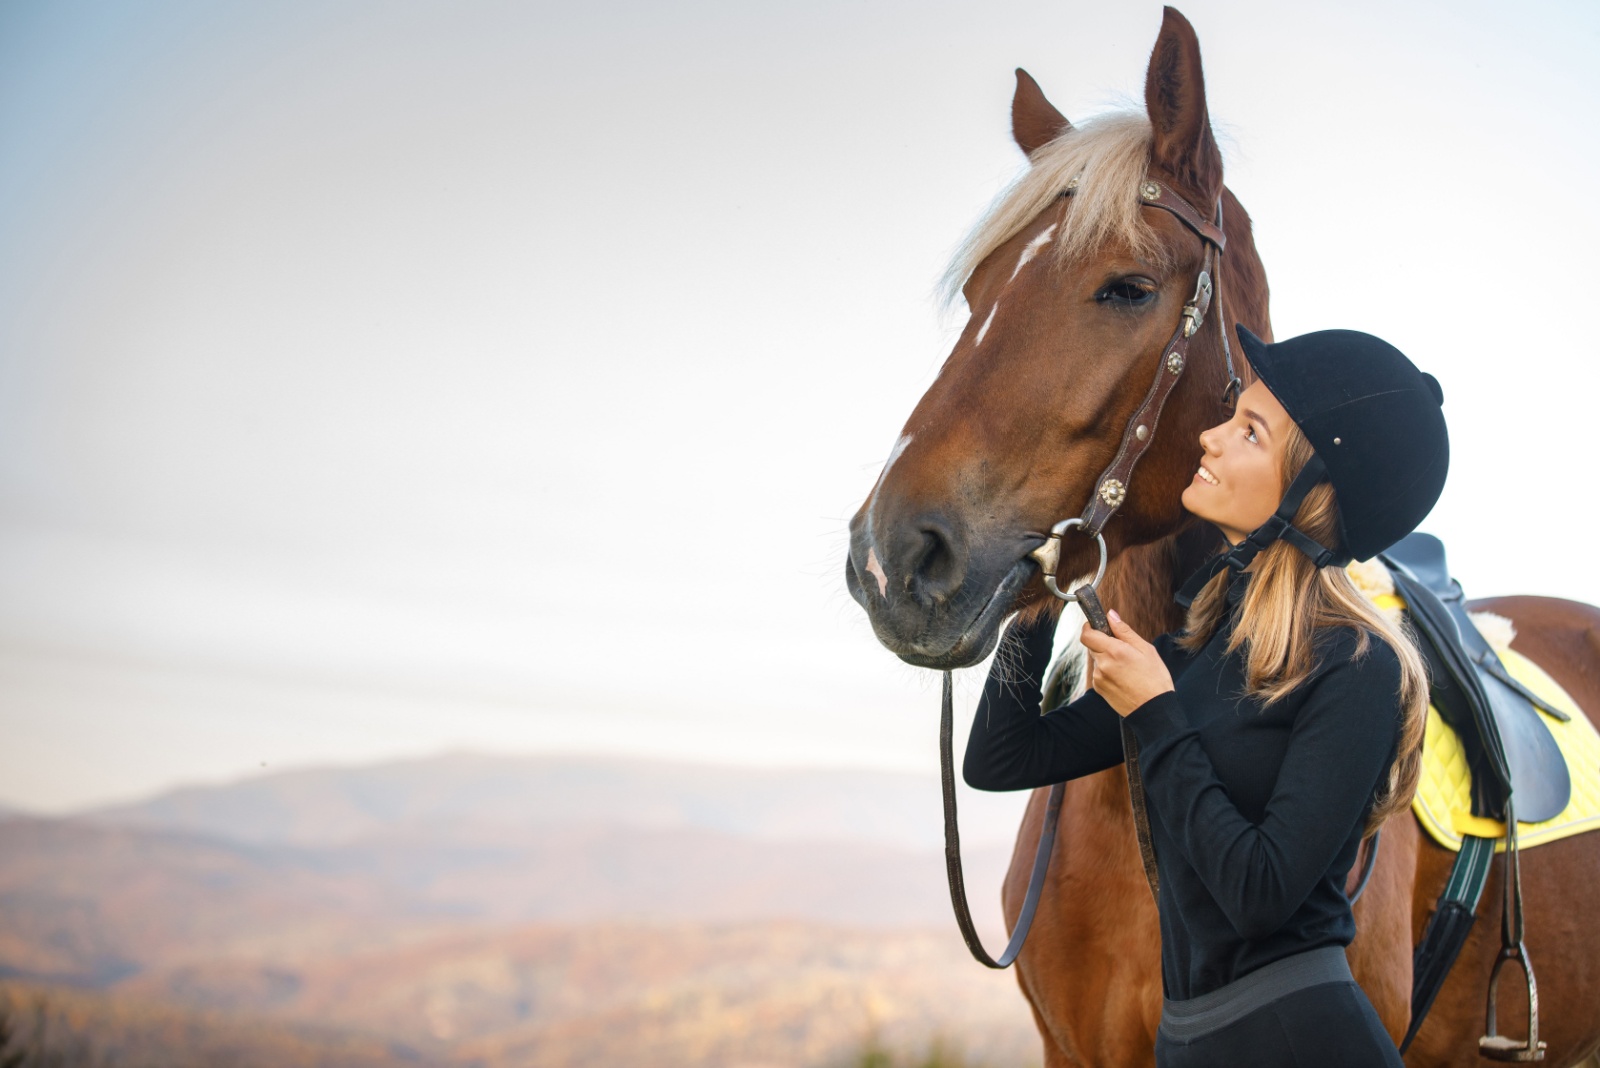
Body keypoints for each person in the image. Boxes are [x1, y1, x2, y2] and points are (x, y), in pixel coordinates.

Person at [964, 325, 1448, 1068]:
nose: (1212, 438)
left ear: (1311, 493)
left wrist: (1156, 713)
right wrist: (1044, 587)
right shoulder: (1194, 654)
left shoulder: (1357, 665)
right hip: (1192, 1043)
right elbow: (1001, 757)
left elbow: (1258, 894)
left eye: (1249, 431)